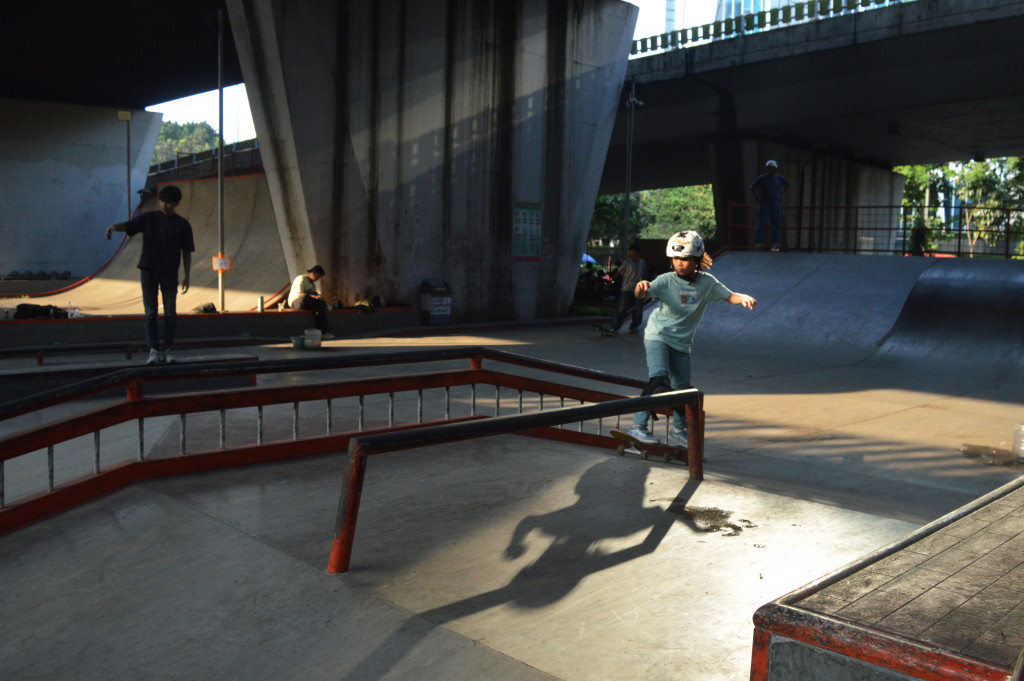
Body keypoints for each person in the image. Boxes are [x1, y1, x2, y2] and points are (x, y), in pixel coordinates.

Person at [628, 231, 756, 446]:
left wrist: (742, 297)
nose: (679, 263)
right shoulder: (666, 280)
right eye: (676, 258)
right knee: (659, 381)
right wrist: (640, 288)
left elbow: (729, 296)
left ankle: (678, 430)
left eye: (685, 259)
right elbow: (645, 292)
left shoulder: (707, 283)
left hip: (682, 344)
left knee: (684, 390)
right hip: (658, 336)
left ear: (697, 259)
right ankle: (637, 426)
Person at [105, 184, 194, 365]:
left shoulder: (183, 225)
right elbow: (130, 225)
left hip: (169, 273)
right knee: (150, 313)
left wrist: (187, 275)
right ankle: (154, 350)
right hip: (148, 270)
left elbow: (187, 251)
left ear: (176, 203)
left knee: (170, 313)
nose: (164, 205)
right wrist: (114, 227)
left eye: (168, 202)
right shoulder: (149, 218)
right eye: (162, 201)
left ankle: (168, 350)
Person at [604, 243, 647, 335]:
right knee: (622, 308)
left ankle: (634, 326)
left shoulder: (642, 263)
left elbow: (644, 275)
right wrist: (610, 283)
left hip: (639, 289)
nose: (633, 253)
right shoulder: (627, 262)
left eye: (635, 251)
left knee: (638, 309)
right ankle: (615, 327)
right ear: (630, 252)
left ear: (638, 252)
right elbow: (618, 273)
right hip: (627, 288)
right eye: (632, 251)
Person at [750, 159, 790, 252]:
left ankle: (775, 243)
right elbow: (752, 187)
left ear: (775, 169)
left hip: (775, 204)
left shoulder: (779, 178)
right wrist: (757, 198)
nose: (770, 171)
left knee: (775, 224)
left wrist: (780, 193)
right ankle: (758, 243)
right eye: (769, 169)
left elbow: (787, 185)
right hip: (765, 204)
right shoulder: (762, 178)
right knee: (762, 223)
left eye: (772, 169)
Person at [288, 265, 334, 339]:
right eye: (317, 276)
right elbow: (299, 294)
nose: (317, 279)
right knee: (305, 297)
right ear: (313, 272)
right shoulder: (301, 279)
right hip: (296, 303)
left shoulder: (312, 284)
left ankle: (323, 332)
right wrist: (315, 297)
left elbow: (314, 295)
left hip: (307, 303)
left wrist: (319, 298)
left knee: (320, 305)